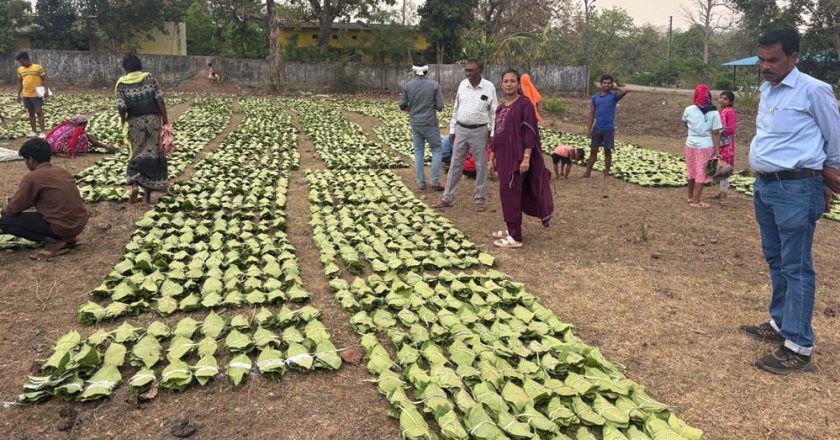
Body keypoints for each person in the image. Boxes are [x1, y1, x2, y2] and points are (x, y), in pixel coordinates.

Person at [740, 29, 840, 375]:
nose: (765, 67)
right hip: (766, 187)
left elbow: (834, 136)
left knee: (796, 266)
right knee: (776, 257)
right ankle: (781, 322)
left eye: (774, 60)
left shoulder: (814, 90)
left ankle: (798, 346)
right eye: (761, 60)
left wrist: (830, 178)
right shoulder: (768, 89)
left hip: (796, 188)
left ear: (794, 58)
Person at [487, 69, 554, 248]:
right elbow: (497, 135)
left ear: (518, 84)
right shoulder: (500, 108)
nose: (509, 84)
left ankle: (515, 237)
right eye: (506, 81)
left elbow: (530, 134)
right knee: (507, 194)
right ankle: (511, 228)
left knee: (511, 194)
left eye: (512, 81)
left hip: (516, 159)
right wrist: (491, 158)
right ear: (501, 84)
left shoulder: (524, 104)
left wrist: (526, 158)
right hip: (502, 159)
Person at [0, 138, 88, 257]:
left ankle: (54, 242)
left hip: (61, 227)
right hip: (78, 224)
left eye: (25, 160)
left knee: (6, 221)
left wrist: (6, 209)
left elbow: (14, 208)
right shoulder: (61, 171)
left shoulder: (33, 177)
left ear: (30, 159)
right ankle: (68, 239)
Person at [434, 60, 497, 211]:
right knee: (455, 163)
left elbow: (495, 113)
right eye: (467, 70)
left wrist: (493, 133)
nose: (468, 73)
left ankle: (479, 199)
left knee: (481, 165)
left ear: (480, 70)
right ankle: (447, 198)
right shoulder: (463, 85)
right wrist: (452, 130)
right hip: (461, 129)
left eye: (472, 70)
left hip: (479, 130)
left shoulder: (489, 87)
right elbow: (456, 109)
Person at [115, 54, 170, 205]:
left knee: (136, 154)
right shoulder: (149, 78)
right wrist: (165, 122)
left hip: (135, 123)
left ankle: (133, 186)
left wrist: (123, 121)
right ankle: (147, 197)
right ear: (139, 65)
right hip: (153, 121)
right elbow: (160, 100)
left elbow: (121, 106)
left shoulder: (122, 83)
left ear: (125, 68)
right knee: (152, 154)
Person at [400, 61, 445, 190]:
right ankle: (434, 181)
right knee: (436, 150)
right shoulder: (434, 85)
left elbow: (402, 105)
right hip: (430, 123)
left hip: (415, 123)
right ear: (426, 71)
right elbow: (440, 106)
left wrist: (411, 108)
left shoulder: (408, 86)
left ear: (414, 71)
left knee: (419, 151)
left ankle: (420, 182)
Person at [682, 84, 721, 209]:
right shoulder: (714, 113)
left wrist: (693, 132)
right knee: (701, 173)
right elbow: (715, 133)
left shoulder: (689, 109)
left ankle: (690, 196)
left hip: (690, 144)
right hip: (706, 146)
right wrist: (718, 150)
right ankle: (696, 201)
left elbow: (685, 123)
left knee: (691, 170)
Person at [583, 75, 628, 178]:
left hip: (608, 129)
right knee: (593, 151)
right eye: (604, 83)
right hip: (597, 128)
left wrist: (616, 87)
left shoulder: (614, 96)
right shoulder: (595, 98)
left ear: (611, 84)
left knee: (607, 151)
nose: (606, 85)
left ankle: (606, 173)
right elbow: (592, 114)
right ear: (601, 84)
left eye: (609, 83)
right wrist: (588, 129)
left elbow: (625, 91)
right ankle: (587, 172)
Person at [15, 52, 50, 138]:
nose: (21, 63)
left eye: (21, 61)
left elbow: (44, 79)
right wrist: (18, 95)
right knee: (31, 113)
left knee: (39, 112)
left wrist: (46, 91)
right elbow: (20, 83)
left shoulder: (38, 68)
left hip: (36, 94)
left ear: (24, 59)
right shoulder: (20, 69)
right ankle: (34, 131)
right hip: (26, 95)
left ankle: (42, 131)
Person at [713, 90, 738, 204]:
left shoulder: (730, 112)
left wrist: (718, 130)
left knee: (725, 169)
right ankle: (722, 192)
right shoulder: (721, 112)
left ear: (731, 101)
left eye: (725, 99)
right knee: (719, 167)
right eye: (721, 97)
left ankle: (723, 196)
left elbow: (730, 129)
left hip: (727, 145)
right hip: (720, 143)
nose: (722, 100)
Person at [45, 116, 114, 156]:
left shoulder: (66, 126)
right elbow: (92, 141)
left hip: (49, 146)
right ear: (82, 124)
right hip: (59, 148)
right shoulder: (78, 129)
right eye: (85, 124)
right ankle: (79, 151)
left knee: (83, 135)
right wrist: (106, 146)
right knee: (84, 136)